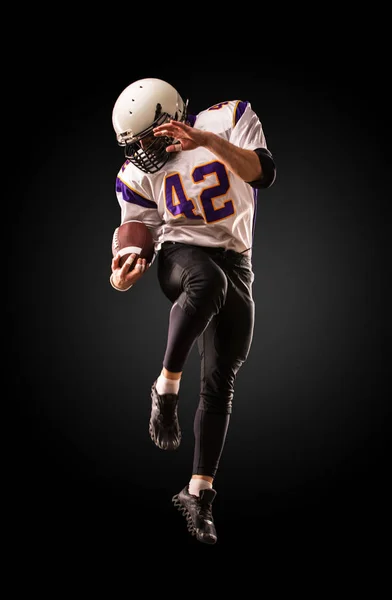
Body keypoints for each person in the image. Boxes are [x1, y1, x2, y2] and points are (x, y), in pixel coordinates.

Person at [109, 77, 276, 544]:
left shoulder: (230, 117)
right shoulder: (139, 173)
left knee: (221, 379)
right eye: (133, 143)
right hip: (181, 257)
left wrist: (204, 141)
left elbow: (262, 173)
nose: (142, 151)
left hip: (237, 261)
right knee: (206, 281)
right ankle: (164, 390)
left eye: (147, 138)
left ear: (171, 117)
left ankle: (197, 493)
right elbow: (134, 229)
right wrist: (121, 268)